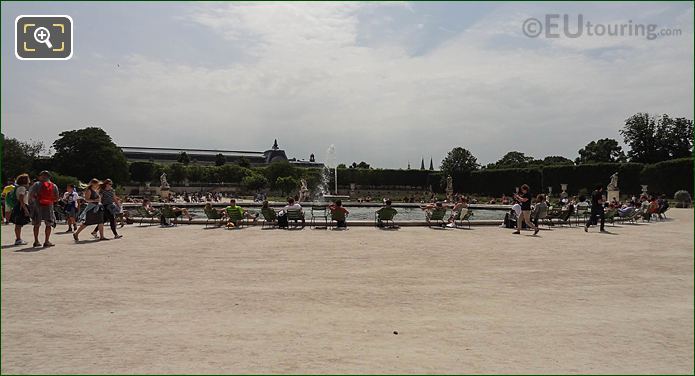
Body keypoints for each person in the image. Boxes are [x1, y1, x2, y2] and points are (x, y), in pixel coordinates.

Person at [28, 171, 60, 247]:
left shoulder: (36, 184)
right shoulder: (53, 185)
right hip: (48, 206)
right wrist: (49, 200)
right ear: (49, 177)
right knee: (48, 224)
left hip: (37, 206)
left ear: (41, 176)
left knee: (36, 224)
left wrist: (32, 204)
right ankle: (47, 241)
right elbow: (56, 198)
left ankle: (36, 241)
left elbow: (31, 195)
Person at [9, 174, 31, 245]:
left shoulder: (18, 187)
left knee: (18, 224)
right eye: (28, 179)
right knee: (18, 224)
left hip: (18, 206)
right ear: (25, 180)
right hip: (20, 206)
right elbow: (21, 199)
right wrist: (25, 210)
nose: (29, 180)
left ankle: (18, 239)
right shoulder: (22, 188)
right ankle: (18, 239)